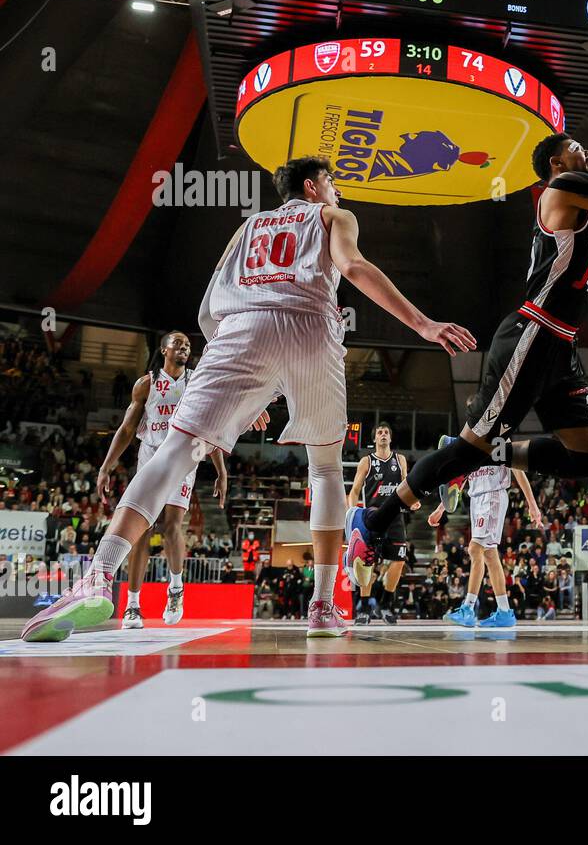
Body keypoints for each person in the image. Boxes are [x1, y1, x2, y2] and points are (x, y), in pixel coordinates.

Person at [22, 156, 473, 642]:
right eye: (332, 182)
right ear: (312, 186)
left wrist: (248, 388)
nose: (338, 190)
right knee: (323, 467)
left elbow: (206, 312)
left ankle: (97, 576)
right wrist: (424, 324)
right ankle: (322, 606)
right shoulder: (332, 216)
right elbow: (355, 266)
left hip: (239, 331)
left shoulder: (246, 230)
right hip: (310, 328)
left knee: (174, 453)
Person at [345, 134, 588, 574]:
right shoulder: (564, 187)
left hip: (560, 347)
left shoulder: (581, 216)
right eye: (579, 147)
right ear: (558, 162)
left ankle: (480, 452)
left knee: (582, 459)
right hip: (532, 335)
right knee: (466, 451)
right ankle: (374, 520)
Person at [97, 331, 227, 629]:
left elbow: (211, 425)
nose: (184, 348)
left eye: (188, 345)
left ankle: (176, 589)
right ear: (163, 349)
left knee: (171, 525)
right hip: (150, 454)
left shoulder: (196, 381)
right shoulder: (146, 384)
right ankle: (132, 605)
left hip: (184, 456)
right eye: (178, 343)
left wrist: (220, 470)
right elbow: (128, 429)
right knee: (141, 530)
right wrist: (106, 466)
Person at [439, 448, 544, 628]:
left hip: (492, 495)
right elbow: (461, 479)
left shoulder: (503, 439)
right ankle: (504, 612)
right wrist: (441, 508)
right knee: (490, 554)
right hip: (476, 499)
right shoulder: (473, 438)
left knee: (474, 548)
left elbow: (518, 472)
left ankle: (468, 608)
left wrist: (532, 505)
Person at [346, 421, 417, 625]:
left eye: (386, 432)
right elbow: (354, 491)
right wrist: (353, 513)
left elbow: (407, 482)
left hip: (395, 516)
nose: (383, 434)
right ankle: (365, 607)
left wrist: (414, 500)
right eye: (380, 432)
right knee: (367, 561)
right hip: (372, 516)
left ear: (390, 438)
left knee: (399, 560)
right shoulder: (366, 461)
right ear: (374, 438)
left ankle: (385, 604)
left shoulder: (400, 459)